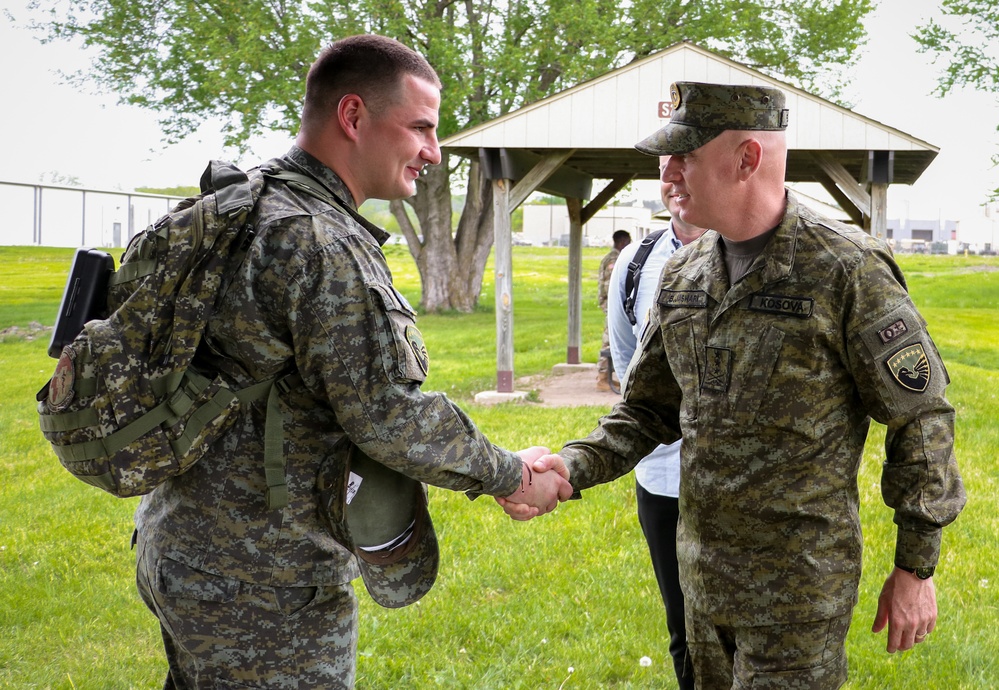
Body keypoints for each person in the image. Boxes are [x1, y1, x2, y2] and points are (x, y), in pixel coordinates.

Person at [133, 34, 571, 690]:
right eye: (420, 127)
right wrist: (510, 475)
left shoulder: (235, 207)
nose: (433, 151)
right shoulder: (318, 245)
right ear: (353, 117)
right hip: (265, 586)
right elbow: (389, 417)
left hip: (182, 552)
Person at [507, 81, 966, 688]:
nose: (667, 174)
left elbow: (921, 416)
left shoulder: (845, 269)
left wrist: (916, 566)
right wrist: (568, 467)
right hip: (702, 583)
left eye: (685, 156)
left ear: (746, 159)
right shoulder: (684, 274)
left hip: (798, 593)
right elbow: (647, 412)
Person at [606, 165, 706, 690]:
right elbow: (627, 365)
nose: (672, 178)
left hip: (747, 488)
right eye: (665, 169)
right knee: (685, 627)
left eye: (686, 164)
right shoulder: (636, 262)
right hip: (663, 480)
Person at [597, 229, 631, 390]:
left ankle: (606, 376)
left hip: (610, 306)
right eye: (628, 241)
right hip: (612, 307)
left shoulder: (612, 258)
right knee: (608, 341)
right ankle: (602, 377)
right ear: (622, 241)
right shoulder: (614, 260)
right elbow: (611, 287)